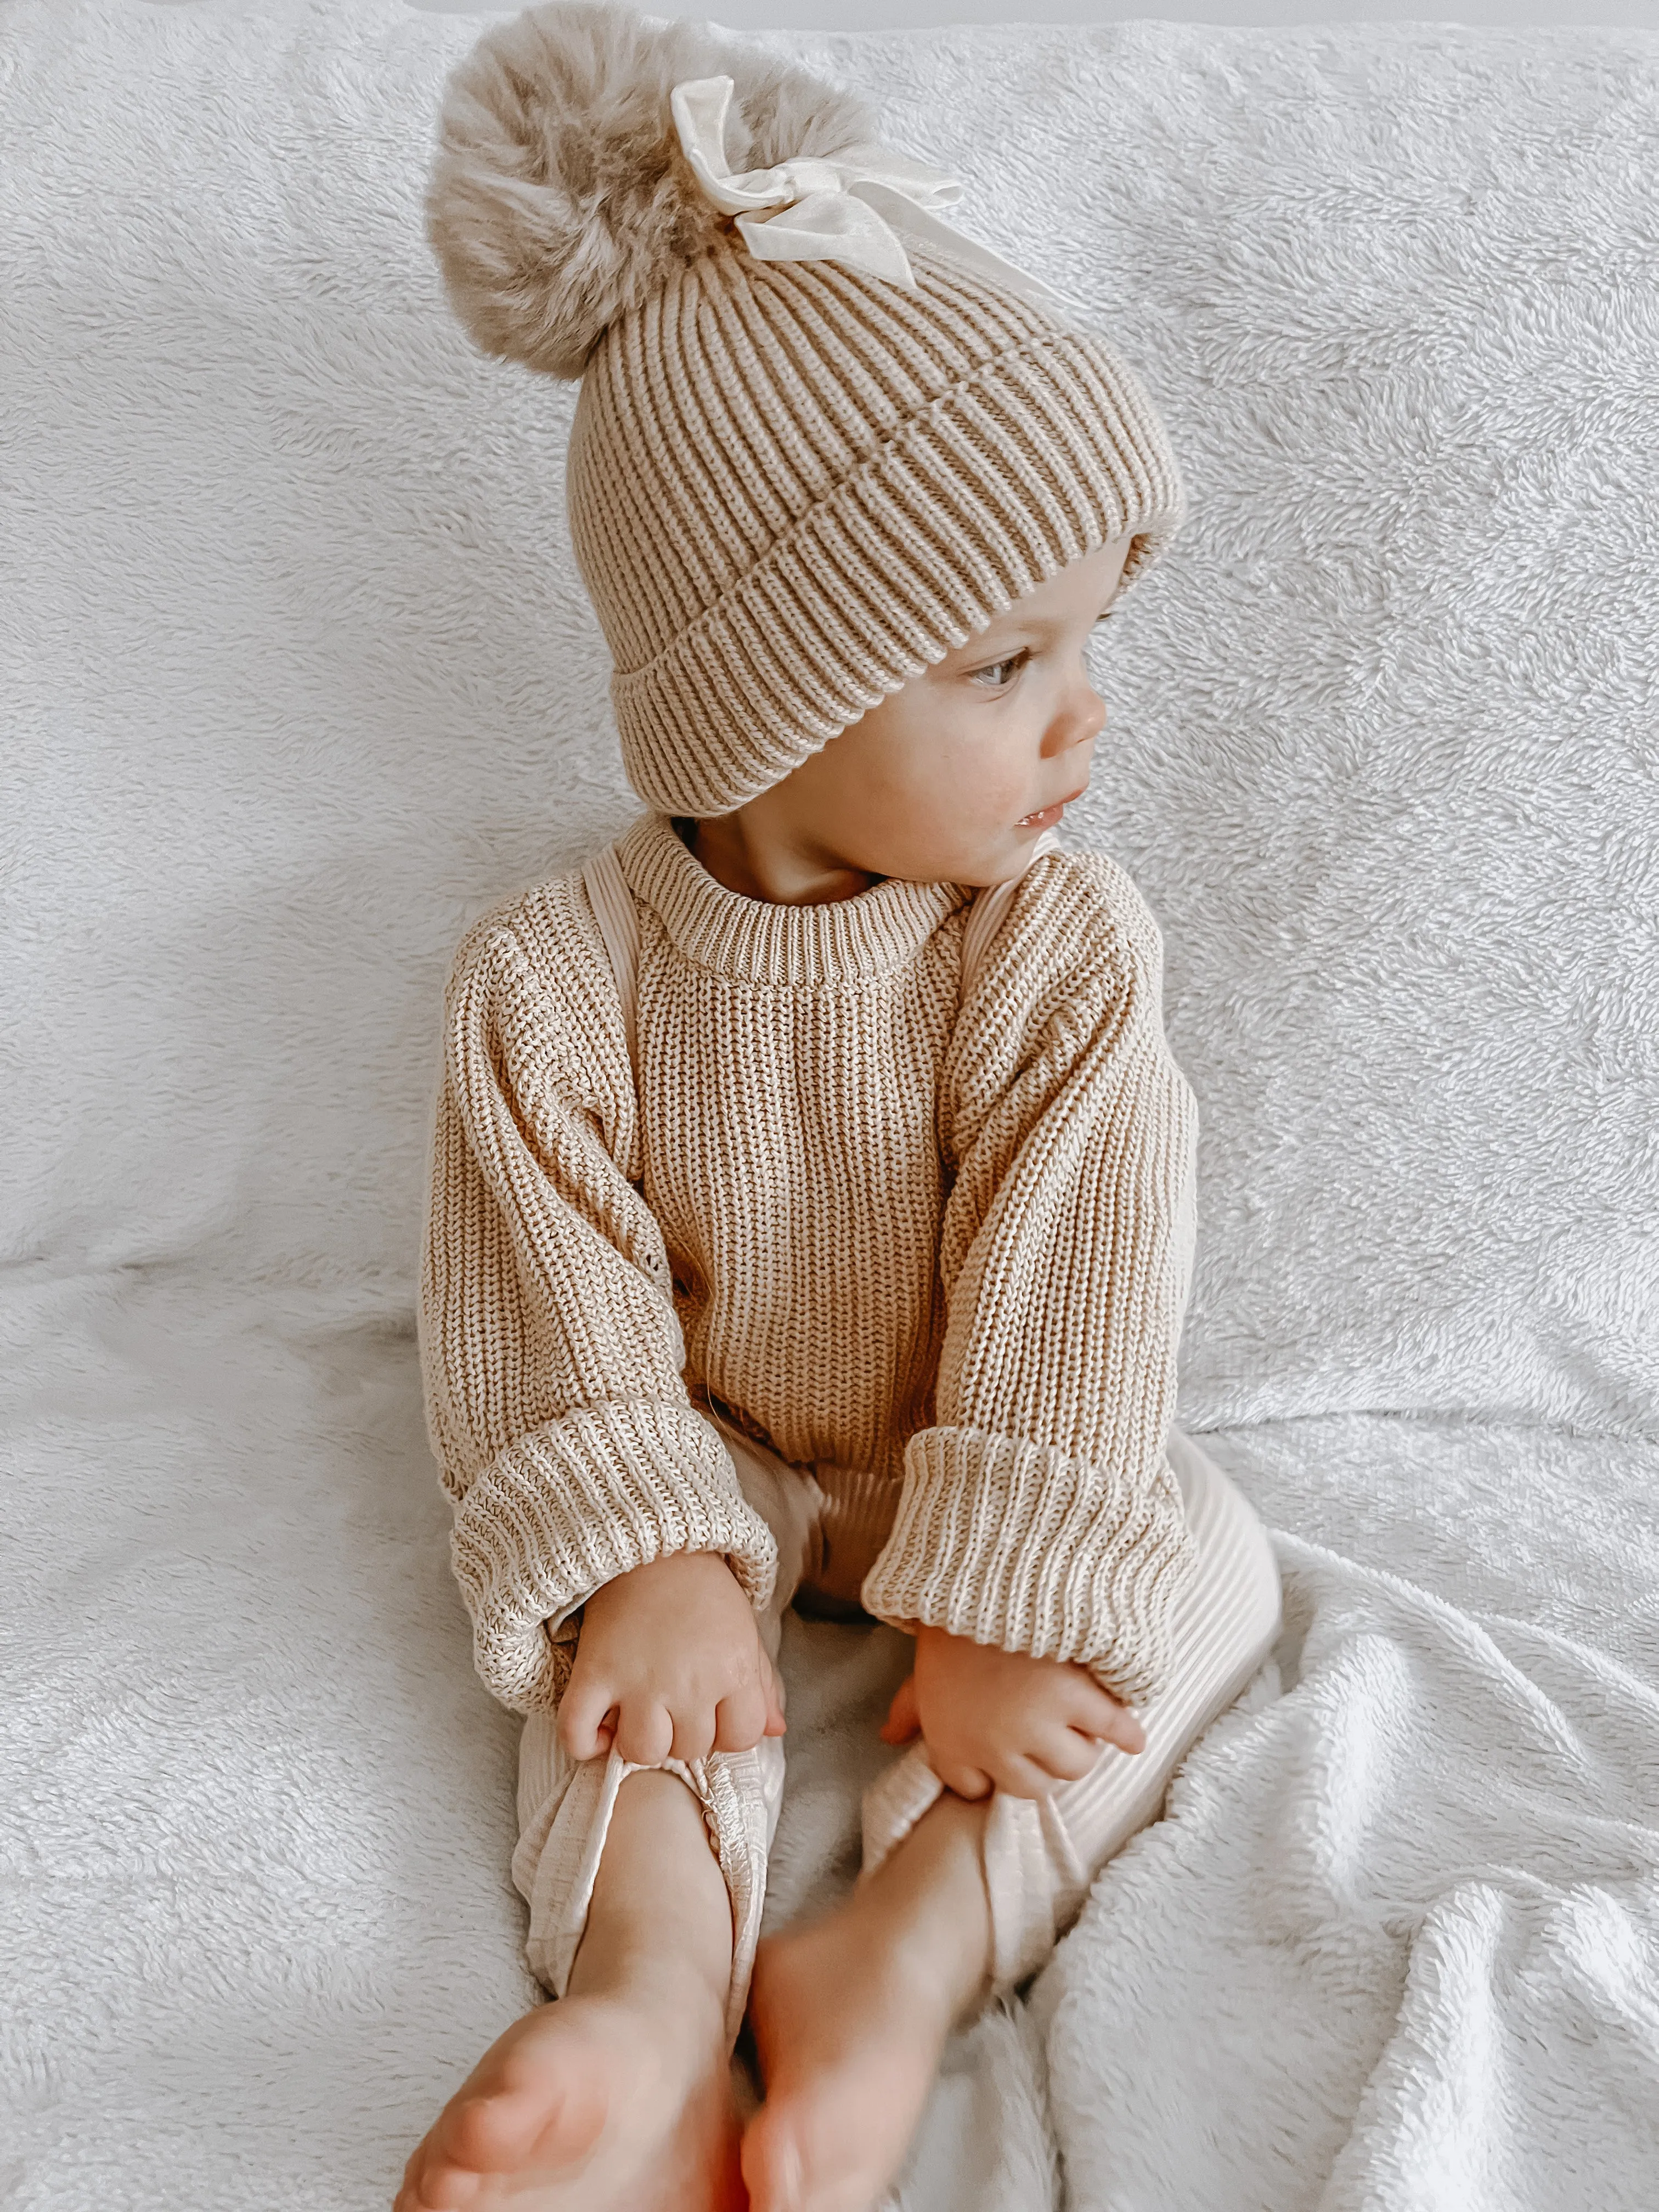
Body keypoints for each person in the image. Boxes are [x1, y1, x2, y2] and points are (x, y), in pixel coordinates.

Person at [400, 5, 1283, 2207]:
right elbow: (547, 1317)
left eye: (1096, 640)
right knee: (609, 1692)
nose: (1084, 722)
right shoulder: (554, 978)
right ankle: (644, 1993)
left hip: (982, 1436)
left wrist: (996, 1605)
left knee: (1206, 1576)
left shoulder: (1052, 947)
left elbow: (1078, 1277)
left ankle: (891, 1960)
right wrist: (652, 1559)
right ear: (761, 697)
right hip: (713, 1454)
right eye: (1003, 665)